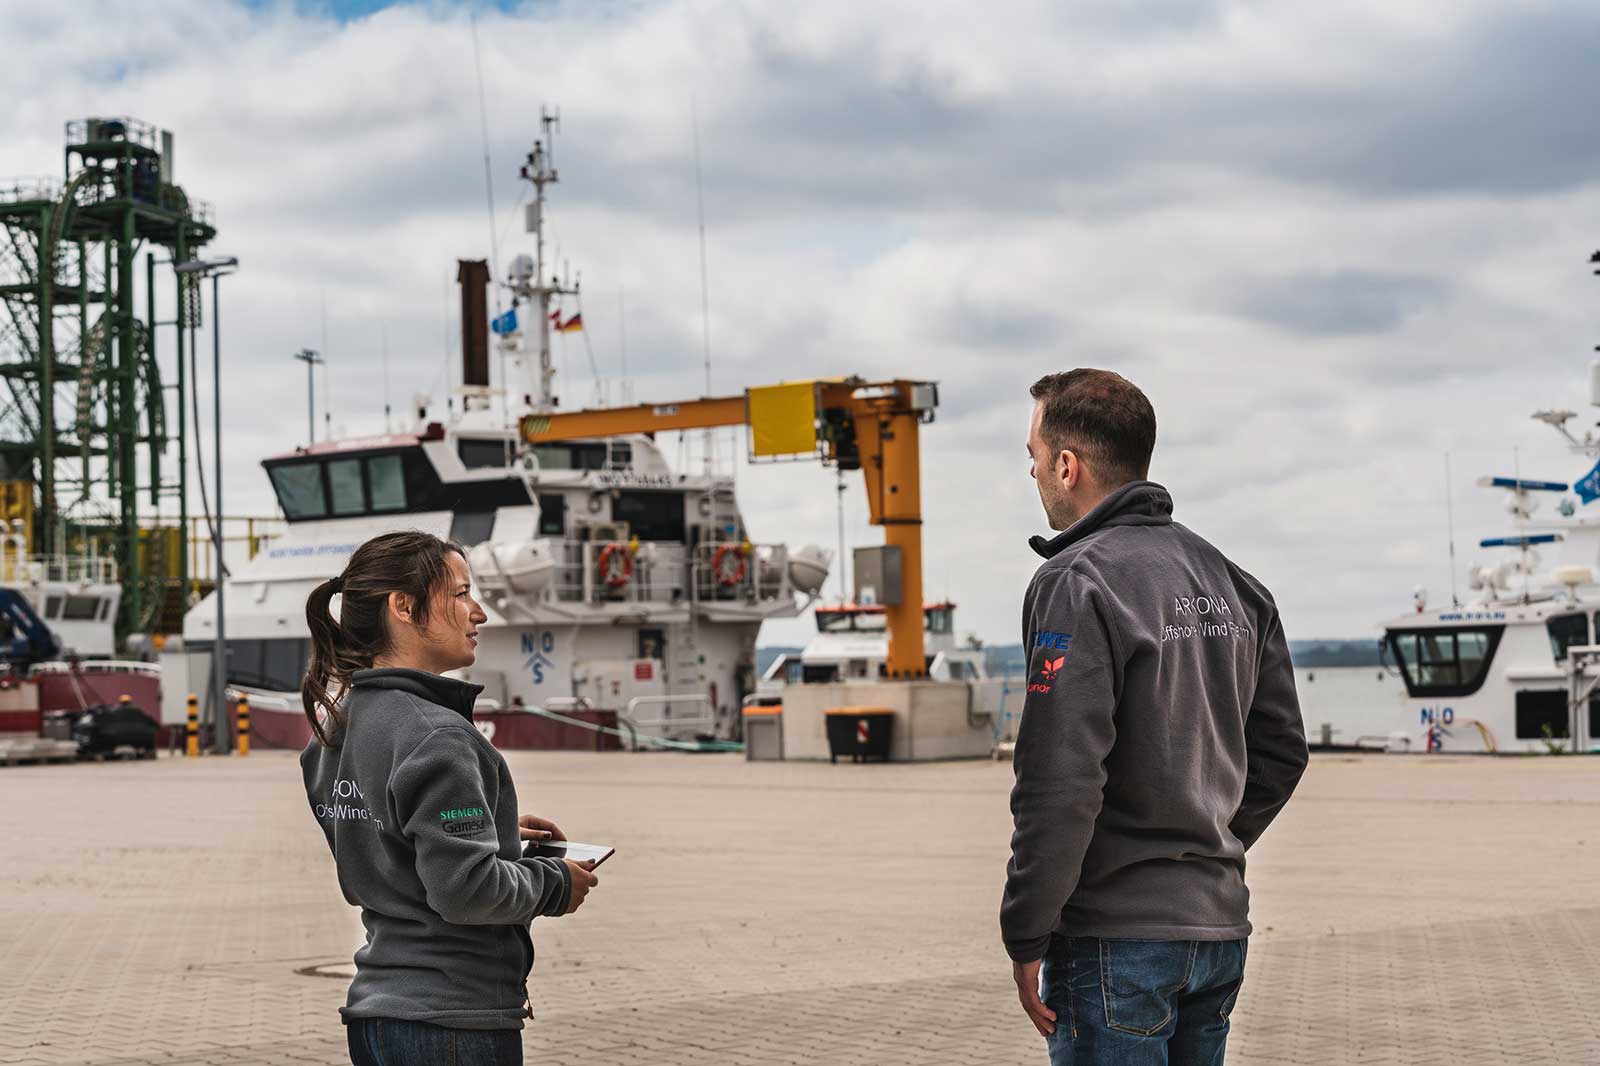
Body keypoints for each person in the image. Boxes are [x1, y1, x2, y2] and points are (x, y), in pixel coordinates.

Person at [1002, 370, 1308, 1065]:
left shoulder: (1077, 580)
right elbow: (1283, 753)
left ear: (1067, 465)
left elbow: (1060, 778)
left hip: (1115, 942)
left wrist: (1026, 930)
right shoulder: (1234, 583)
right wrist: (1201, 847)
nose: (1033, 472)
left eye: (1033, 456)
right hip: (1218, 933)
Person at [298, 530, 600, 1066]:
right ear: (404, 606)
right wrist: (555, 883)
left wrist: (491, 828)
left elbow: (387, 847)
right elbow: (466, 891)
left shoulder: (335, 730)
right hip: (452, 1025)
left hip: (376, 1019)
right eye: (461, 593)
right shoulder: (437, 735)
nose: (478, 612)